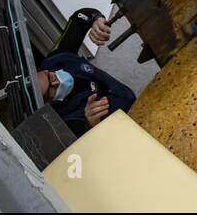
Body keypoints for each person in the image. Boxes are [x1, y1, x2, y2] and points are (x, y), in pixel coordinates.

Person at [36, 8, 135, 137]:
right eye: (52, 89)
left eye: (50, 76)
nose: (57, 82)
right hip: (128, 130)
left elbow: (79, 17)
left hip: (128, 95)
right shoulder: (64, 121)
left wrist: (96, 20)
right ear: (47, 104)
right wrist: (90, 124)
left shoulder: (58, 58)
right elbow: (87, 149)